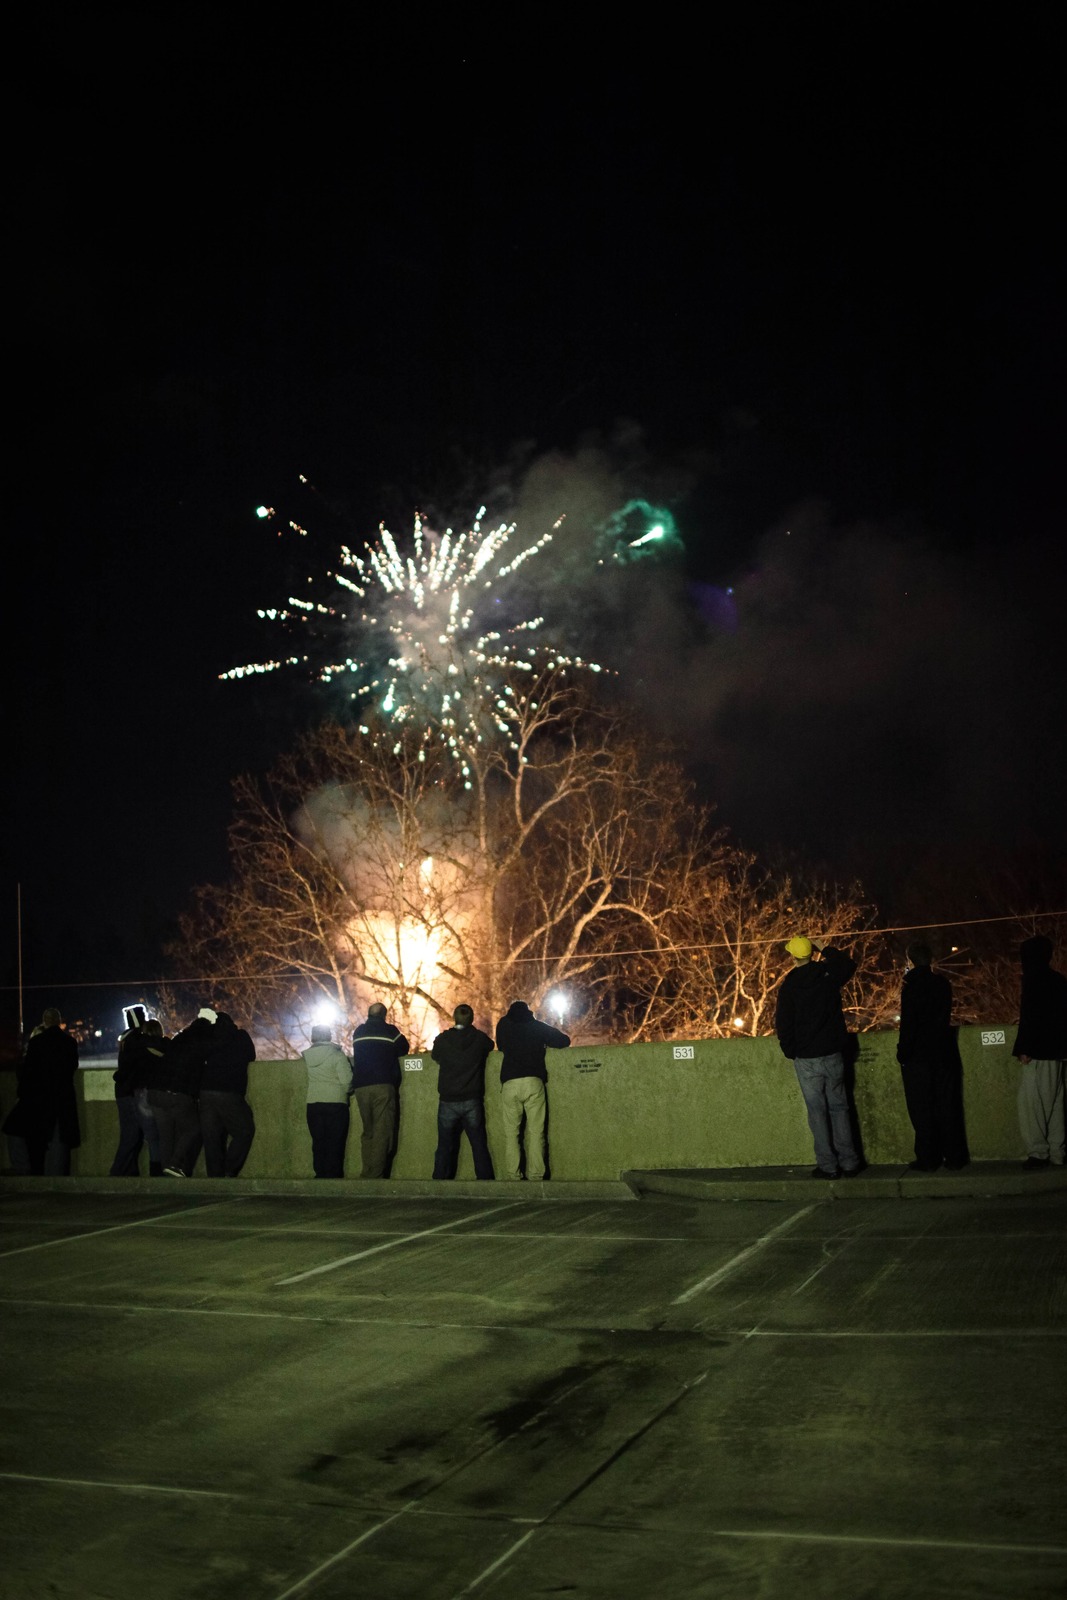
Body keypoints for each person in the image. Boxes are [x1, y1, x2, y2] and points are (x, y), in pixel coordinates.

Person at [775, 935, 864, 1180]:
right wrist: (825, 948)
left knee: (817, 1111)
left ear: (792, 956)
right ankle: (850, 1162)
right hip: (833, 1052)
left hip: (807, 1057)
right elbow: (848, 965)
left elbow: (783, 1023)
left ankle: (828, 1166)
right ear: (812, 953)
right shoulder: (827, 975)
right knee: (840, 1108)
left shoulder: (790, 985)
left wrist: (790, 1050)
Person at [896, 942, 969, 1171]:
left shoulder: (911, 988)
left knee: (922, 1108)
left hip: (919, 1056)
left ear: (911, 960)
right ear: (931, 959)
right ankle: (955, 1156)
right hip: (944, 1051)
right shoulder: (942, 984)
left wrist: (903, 1052)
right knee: (948, 1105)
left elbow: (909, 1025)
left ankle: (928, 1158)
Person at [495, 999, 569, 1181]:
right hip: (533, 1081)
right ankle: (536, 1174)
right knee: (537, 1132)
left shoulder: (503, 1025)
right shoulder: (536, 1027)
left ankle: (514, 1175)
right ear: (528, 1012)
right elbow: (564, 1041)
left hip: (510, 1082)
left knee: (511, 1133)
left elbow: (501, 1046)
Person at [1012, 935, 1067, 1169]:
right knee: (1056, 1104)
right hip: (1058, 1050)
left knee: (1031, 1104)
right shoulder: (1058, 980)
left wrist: (1024, 1048)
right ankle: (1058, 1151)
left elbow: (1030, 1018)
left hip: (1038, 1052)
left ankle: (1038, 1153)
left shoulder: (1033, 980)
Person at [3, 1007, 81, 1174]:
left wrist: (23, 1094)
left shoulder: (36, 1043)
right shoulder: (69, 1042)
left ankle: (26, 1170)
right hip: (62, 1096)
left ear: (45, 1021)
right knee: (59, 1138)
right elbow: (72, 1067)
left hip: (39, 1096)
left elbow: (29, 1072)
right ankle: (56, 1176)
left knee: (35, 1136)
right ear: (59, 1022)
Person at [430, 1004, 496, 1180]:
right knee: (478, 1144)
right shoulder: (478, 1038)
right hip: (471, 1099)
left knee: (444, 1144)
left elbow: (435, 1055)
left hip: (448, 1100)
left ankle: (439, 1180)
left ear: (454, 1017)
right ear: (472, 1019)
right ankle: (485, 1180)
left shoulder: (443, 1040)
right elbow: (491, 1045)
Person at [147, 1007, 215, 1177]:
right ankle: (175, 1164)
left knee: (165, 1136)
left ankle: (166, 1177)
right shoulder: (204, 1041)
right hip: (177, 1093)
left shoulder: (180, 1037)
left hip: (156, 1091)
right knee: (193, 1128)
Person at [350, 1002, 408, 1178]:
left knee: (368, 1130)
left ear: (368, 1015)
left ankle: (366, 1171)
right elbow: (404, 1048)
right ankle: (375, 1175)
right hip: (383, 1084)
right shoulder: (390, 1031)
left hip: (361, 1087)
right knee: (382, 1131)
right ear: (384, 1015)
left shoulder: (358, 1032)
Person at [199, 1010, 257, 1177]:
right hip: (229, 1091)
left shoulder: (210, 1038)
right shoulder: (240, 1037)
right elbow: (250, 1056)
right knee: (244, 1131)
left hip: (205, 1091)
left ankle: (215, 1178)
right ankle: (229, 1170)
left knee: (212, 1138)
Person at [110, 1015, 165, 1176]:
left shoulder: (127, 1039)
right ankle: (119, 1172)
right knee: (137, 1135)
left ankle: (128, 1171)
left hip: (126, 1092)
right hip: (131, 1093)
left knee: (133, 1135)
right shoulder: (136, 1039)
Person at [302, 1023, 353, 1178]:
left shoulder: (307, 1057)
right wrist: (348, 1091)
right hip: (336, 1103)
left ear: (313, 1038)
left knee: (318, 1141)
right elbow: (347, 1081)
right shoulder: (337, 1055)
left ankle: (320, 1173)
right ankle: (333, 1174)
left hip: (313, 1103)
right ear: (329, 1036)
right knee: (335, 1141)